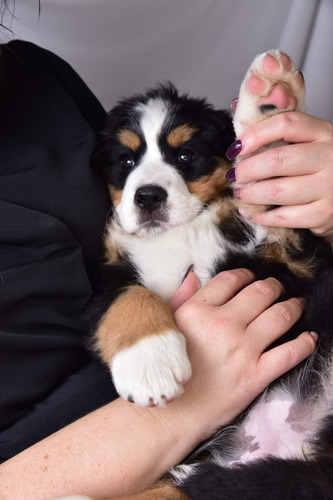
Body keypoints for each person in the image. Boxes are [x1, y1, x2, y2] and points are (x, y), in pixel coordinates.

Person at [0, 29, 332, 500]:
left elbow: (301, 260)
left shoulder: (35, 74)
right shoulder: (127, 273)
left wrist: (293, 192)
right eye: (128, 161)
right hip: (174, 458)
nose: (149, 181)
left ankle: (262, 144)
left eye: (185, 156)